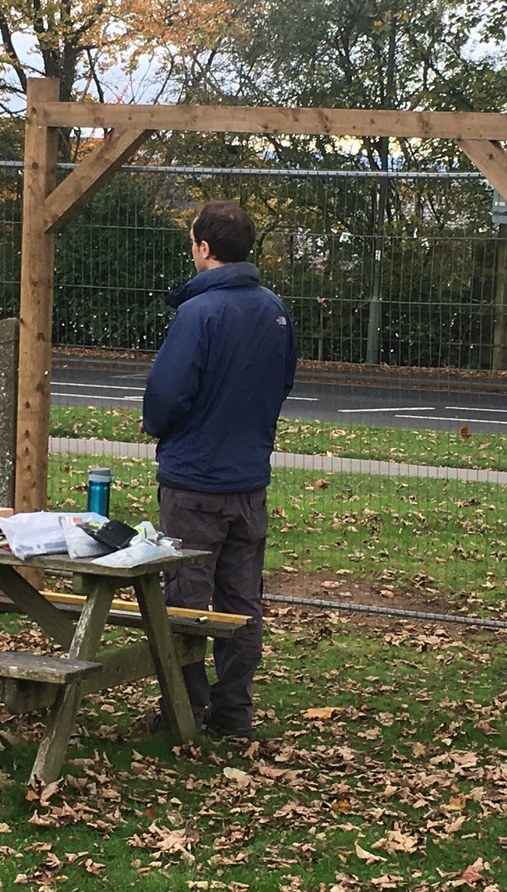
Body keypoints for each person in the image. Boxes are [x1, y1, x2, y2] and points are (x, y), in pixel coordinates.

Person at [140, 201, 297, 740]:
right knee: (241, 601)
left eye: (192, 243)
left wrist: (163, 428)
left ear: (204, 249)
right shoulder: (274, 310)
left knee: (185, 598)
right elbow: (283, 381)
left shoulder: (198, 313)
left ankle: (183, 710)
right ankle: (234, 713)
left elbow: (165, 394)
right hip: (249, 482)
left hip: (194, 484)